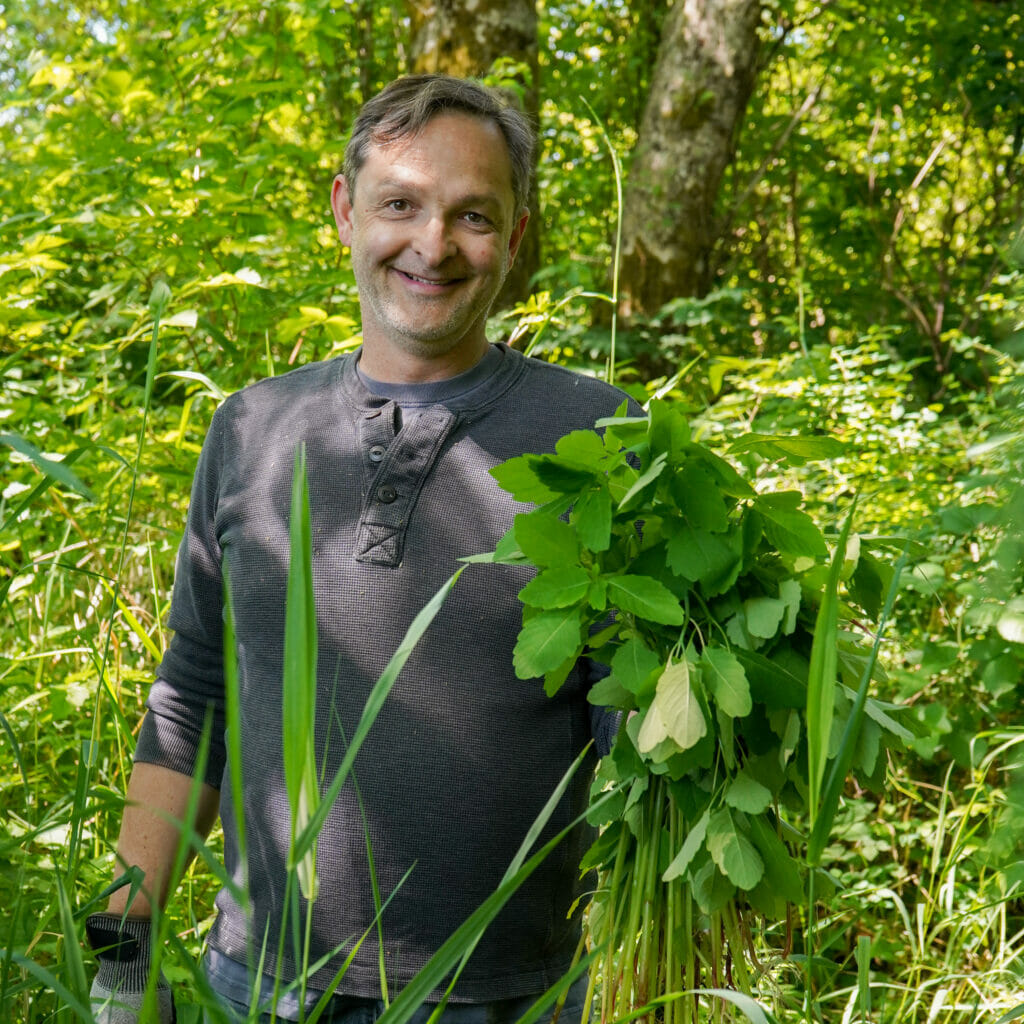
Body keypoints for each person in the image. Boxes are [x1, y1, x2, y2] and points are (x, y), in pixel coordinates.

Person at [86, 74, 636, 1024]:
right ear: (345, 210)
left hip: (506, 995)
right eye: (400, 205)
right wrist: (123, 945)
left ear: (514, 235)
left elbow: (638, 718)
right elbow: (194, 693)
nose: (433, 246)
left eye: (473, 215)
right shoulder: (252, 430)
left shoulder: (599, 435)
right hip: (260, 986)